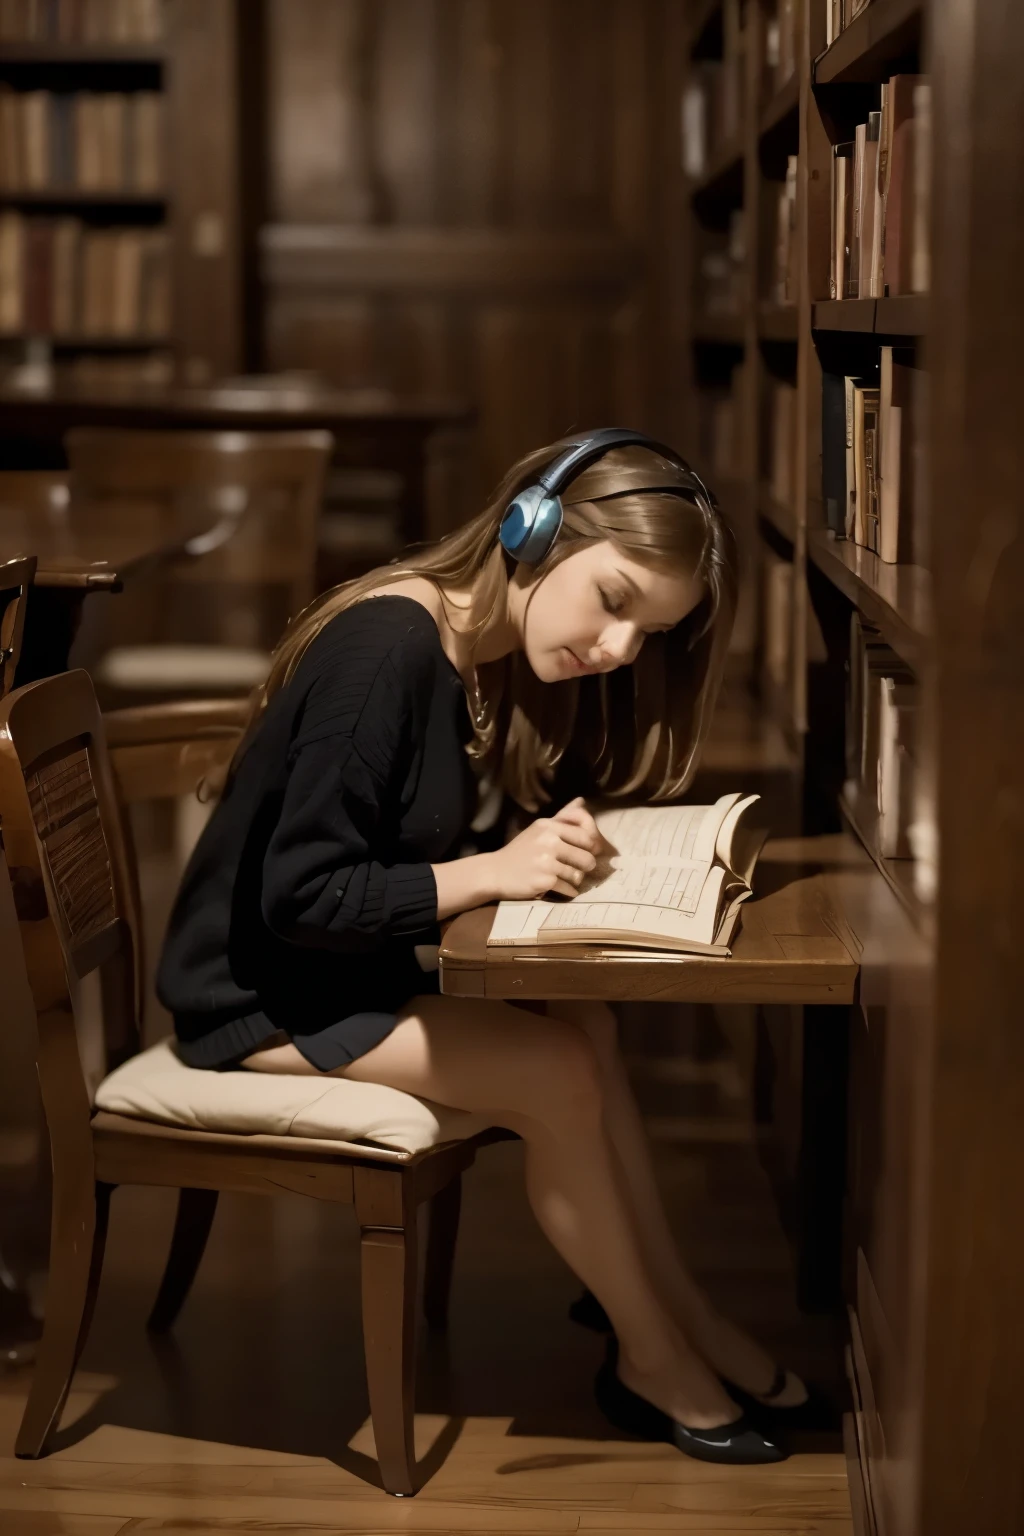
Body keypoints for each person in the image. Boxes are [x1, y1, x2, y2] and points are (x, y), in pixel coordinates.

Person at [157, 430, 809, 1465]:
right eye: (614, 600)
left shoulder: (468, 650)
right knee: (552, 1066)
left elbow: (404, 837)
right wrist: (491, 873)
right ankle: (655, 1355)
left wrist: (535, 847)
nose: (620, 648)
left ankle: (678, 1317)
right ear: (530, 530)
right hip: (258, 994)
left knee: (583, 1024)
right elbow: (299, 896)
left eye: (649, 631)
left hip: (336, 971)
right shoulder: (388, 650)